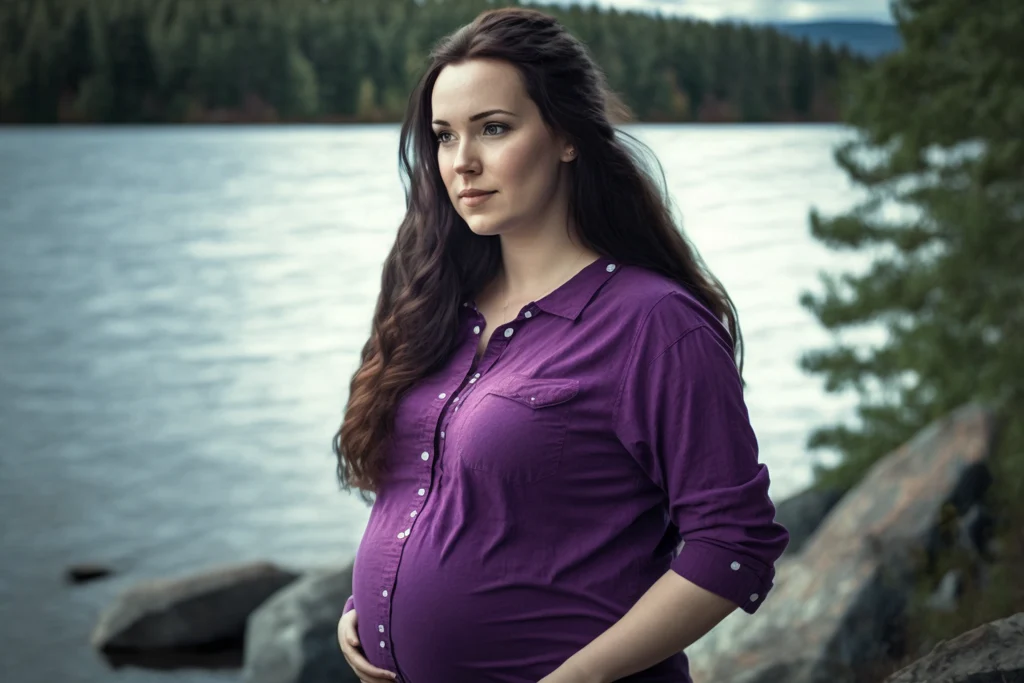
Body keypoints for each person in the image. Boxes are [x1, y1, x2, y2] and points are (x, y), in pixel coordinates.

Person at [333, 7, 789, 683]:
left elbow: (733, 544)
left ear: (567, 136)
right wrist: (367, 607)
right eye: (443, 135)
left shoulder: (654, 323)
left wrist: (578, 678)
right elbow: (428, 491)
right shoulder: (436, 308)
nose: (462, 162)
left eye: (493, 128)